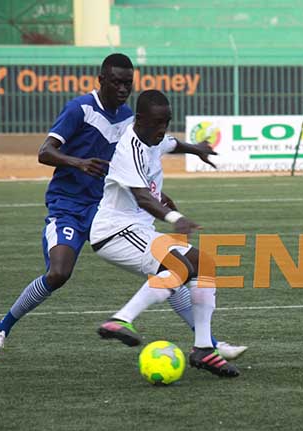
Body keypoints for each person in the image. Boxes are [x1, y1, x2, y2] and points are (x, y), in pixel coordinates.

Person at [0, 54, 245, 363]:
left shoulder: (130, 117)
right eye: (116, 82)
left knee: (167, 267)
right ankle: (1, 328)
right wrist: (78, 162)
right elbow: (45, 152)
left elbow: (141, 156)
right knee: (58, 273)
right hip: (69, 206)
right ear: (101, 80)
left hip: (106, 207)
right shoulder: (80, 109)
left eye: (127, 83)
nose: (122, 89)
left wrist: (163, 184)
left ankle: (207, 343)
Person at [90, 89, 239, 377]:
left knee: (203, 263)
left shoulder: (153, 138)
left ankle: (204, 348)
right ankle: (120, 320)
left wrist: (196, 148)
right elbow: (142, 197)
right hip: (115, 231)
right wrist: (175, 218)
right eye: (157, 122)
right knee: (178, 267)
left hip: (137, 229)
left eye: (166, 122)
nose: (162, 129)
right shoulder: (129, 149)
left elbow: (172, 143)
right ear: (140, 119)